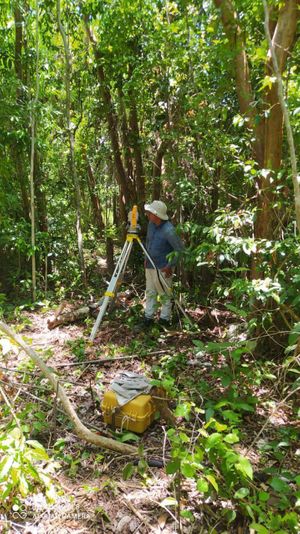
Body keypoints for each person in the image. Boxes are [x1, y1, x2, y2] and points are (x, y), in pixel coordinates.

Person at [143, 200, 184, 327]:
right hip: (149, 265)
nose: (148, 214)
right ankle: (148, 318)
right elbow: (148, 241)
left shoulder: (169, 230)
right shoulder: (151, 224)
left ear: (156, 215)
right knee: (150, 292)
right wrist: (146, 257)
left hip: (163, 268)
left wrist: (169, 265)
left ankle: (164, 320)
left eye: (150, 212)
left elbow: (180, 250)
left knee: (165, 295)